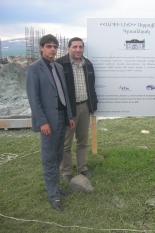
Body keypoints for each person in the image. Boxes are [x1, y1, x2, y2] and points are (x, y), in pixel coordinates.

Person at [26, 34, 75, 211]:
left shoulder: (58, 67)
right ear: (41, 48)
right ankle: (54, 196)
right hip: (48, 122)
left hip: (62, 118)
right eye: (49, 46)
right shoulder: (34, 69)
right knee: (49, 159)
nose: (52, 49)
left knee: (59, 155)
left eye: (55, 46)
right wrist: (42, 122)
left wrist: (69, 115)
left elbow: (64, 95)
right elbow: (34, 99)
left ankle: (56, 187)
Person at [55, 37, 98, 182]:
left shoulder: (88, 64)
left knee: (83, 140)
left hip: (85, 106)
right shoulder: (60, 64)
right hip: (68, 109)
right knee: (66, 142)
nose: (78, 50)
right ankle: (66, 170)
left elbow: (91, 86)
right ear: (69, 48)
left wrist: (93, 104)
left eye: (80, 47)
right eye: (75, 47)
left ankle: (82, 167)